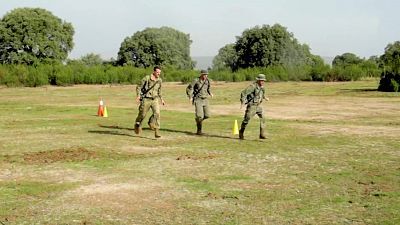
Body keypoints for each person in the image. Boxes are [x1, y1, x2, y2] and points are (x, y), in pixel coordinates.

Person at [134, 66, 166, 138]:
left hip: (155, 99)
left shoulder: (159, 80)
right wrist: (138, 96)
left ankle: (156, 130)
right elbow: (139, 86)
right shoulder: (147, 78)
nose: (158, 74)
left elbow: (159, 90)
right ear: (154, 71)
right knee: (142, 114)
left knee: (157, 113)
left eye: (159, 72)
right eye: (157, 72)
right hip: (146, 99)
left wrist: (162, 99)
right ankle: (137, 124)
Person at [239, 74, 269, 140]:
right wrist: (242, 101)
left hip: (258, 106)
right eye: (261, 80)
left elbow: (262, 94)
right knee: (246, 120)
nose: (263, 82)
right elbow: (243, 93)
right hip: (252, 106)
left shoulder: (262, 87)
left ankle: (262, 134)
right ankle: (241, 132)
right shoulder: (252, 86)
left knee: (263, 118)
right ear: (258, 80)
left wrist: (265, 97)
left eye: (263, 80)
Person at [186, 69, 214, 135]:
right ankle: (199, 131)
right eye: (204, 74)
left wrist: (210, 93)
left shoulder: (207, 81)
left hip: (205, 99)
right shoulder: (196, 80)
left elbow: (208, 88)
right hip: (198, 99)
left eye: (206, 74)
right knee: (199, 116)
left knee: (207, 115)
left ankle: (198, 121)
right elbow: (190, 88)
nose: (206, 76)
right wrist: (190, 96)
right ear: (201, 74)